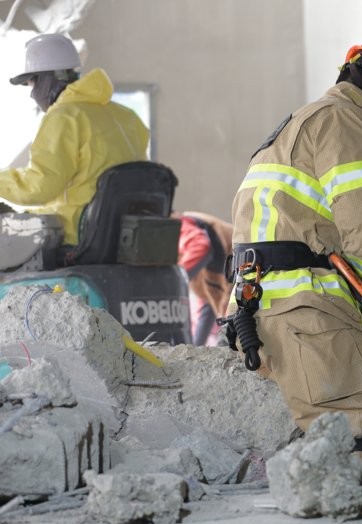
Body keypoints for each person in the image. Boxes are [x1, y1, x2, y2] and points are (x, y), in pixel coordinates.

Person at [226, 42, 362, 474]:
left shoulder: (302, 123)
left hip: (269, 307)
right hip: (307, 313)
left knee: (345, 451)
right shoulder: (343, 120)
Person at [0, 33, 149, 247]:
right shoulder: (126, 117)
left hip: (80, 234)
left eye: (33, 84)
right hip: (122, 235)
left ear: (48, 79)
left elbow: (40, 186)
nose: (32, 95)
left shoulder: (65, 117)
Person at [176, 211, 232, 345]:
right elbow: (209, 305)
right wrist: (195, 348)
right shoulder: (203, 278)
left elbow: (200, 246)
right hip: (231, 280)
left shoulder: (178, 225)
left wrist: (175, 279)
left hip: (243, 266)